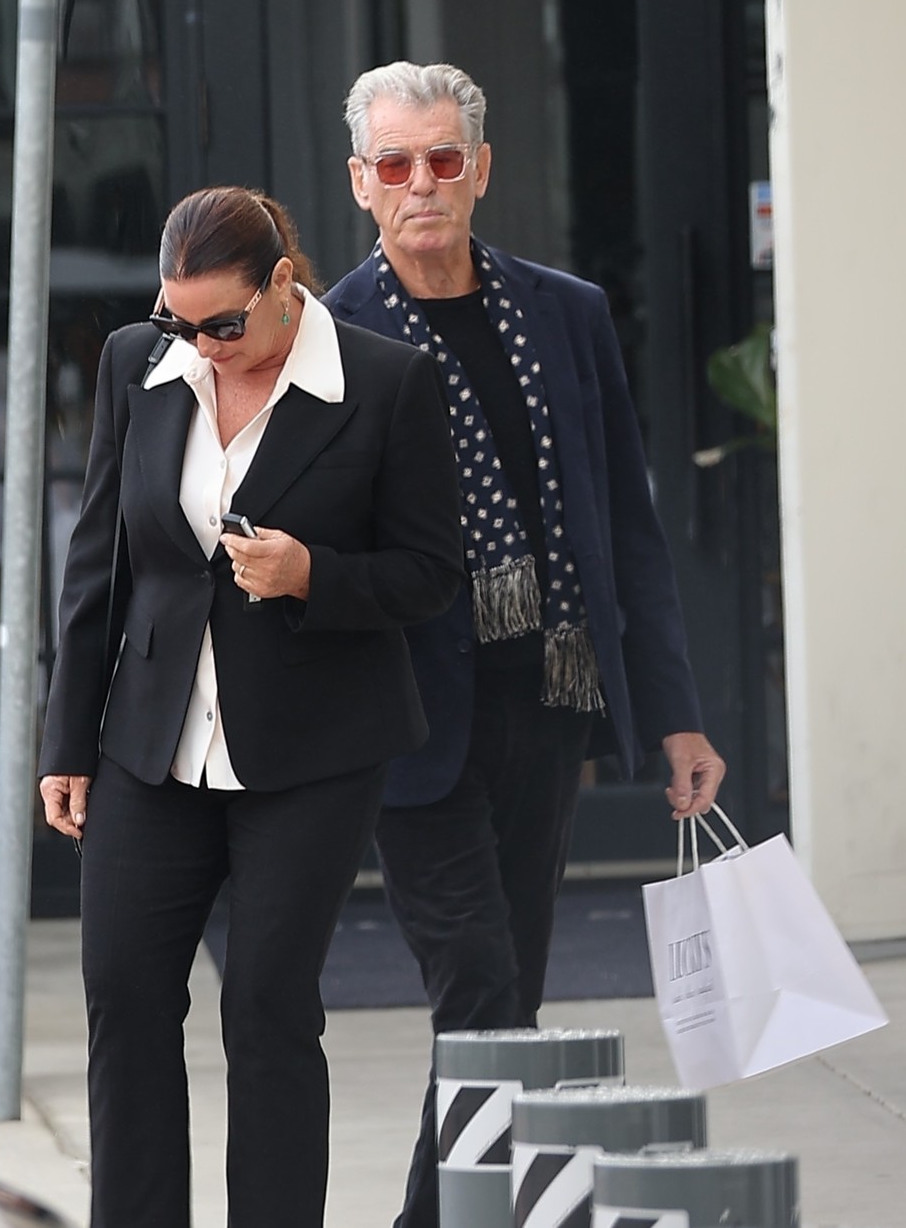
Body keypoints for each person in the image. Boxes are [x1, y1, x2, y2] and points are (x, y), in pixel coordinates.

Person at [323, 61, 727, 1228]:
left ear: (481, 168)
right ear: (360, 181)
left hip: (546, 701)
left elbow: (625, 528)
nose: (421, 183)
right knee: (482, 986)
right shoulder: (330, 334)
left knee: (504, 1003)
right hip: (407, 718)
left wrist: (674, 712)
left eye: (442, 158)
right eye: (394, 163)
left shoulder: (566, 311)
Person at [38, 185, 464, 1228]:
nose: (200, 345)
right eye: (177, 320)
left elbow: (430, 574)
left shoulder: (384, 380)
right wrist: (67, 741)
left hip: (313, 751)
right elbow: (99, 566)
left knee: (267, 1007)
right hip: (151, 744)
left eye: (221, 324)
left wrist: (313, 572)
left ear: (281, 283)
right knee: (124, 998)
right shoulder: (139, 365)